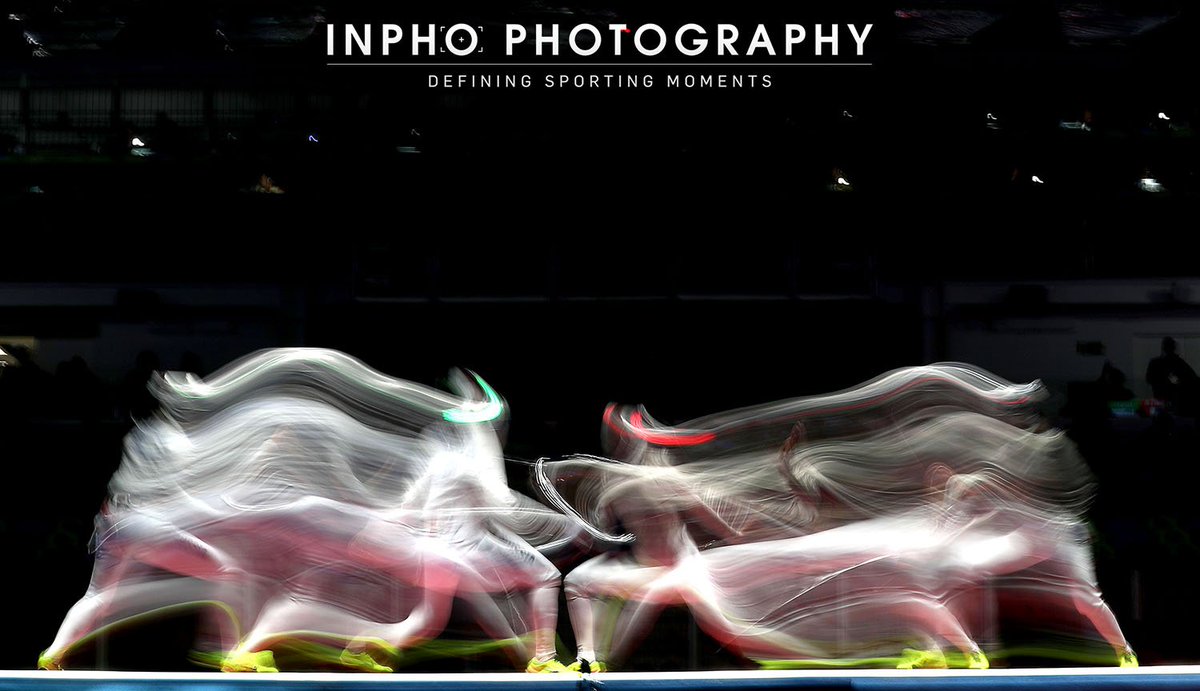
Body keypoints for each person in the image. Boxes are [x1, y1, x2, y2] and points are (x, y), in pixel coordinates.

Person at [1146, 337, 1198, 411]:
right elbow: (1189, 380)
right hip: (1175, 401)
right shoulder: (1178, 362)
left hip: (1164, 400)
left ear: (1163, 347)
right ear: (1174, 348)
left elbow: (1149, 379)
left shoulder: (1155, 363)